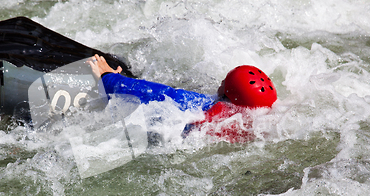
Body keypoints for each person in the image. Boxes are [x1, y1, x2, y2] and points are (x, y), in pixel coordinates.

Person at [87, 54, 277, 143]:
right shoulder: (262, 123)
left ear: (225, 92)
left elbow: (161, 95)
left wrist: (109, 78)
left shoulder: (204, 106)